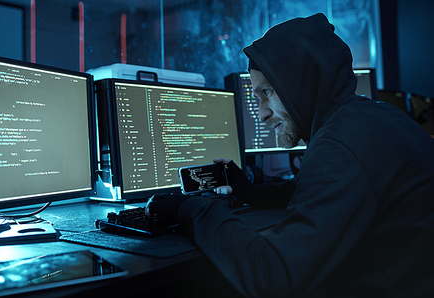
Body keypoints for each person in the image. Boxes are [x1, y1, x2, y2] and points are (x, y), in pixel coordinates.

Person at [146, 13, 434, 297]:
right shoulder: (374, 119)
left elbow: (272, 277)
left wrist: (195, 210)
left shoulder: (339, 146)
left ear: (302, 83)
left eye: (267, 92)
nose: (261, 113)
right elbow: (339, 195)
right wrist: (256, 193)